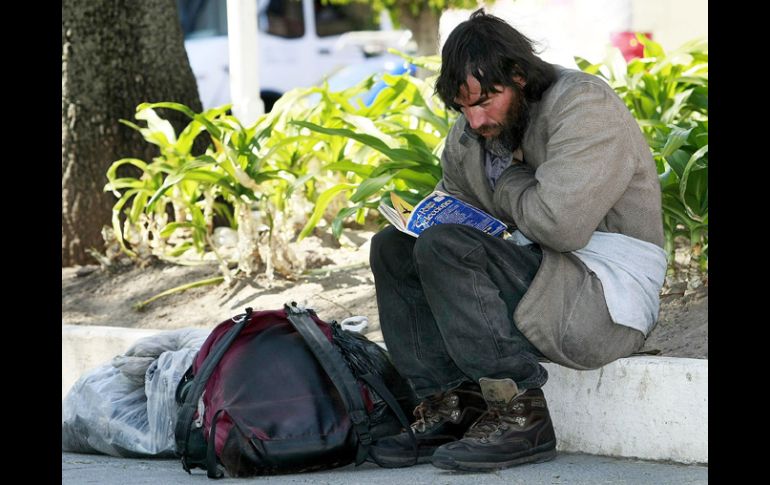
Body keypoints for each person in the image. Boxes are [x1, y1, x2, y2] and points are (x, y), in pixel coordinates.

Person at [367, 9, 667, 472]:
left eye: (485, 101)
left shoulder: (583, 105)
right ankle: (452, 406)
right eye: (462, 106)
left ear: (521, 77)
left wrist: (507, 176)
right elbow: (457, 205)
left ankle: (519, 413)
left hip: (603, 296)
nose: (474, 119)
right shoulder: (473, 130)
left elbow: (560, 227)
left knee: (447, 247)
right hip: (537, 271)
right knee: (393, 247)